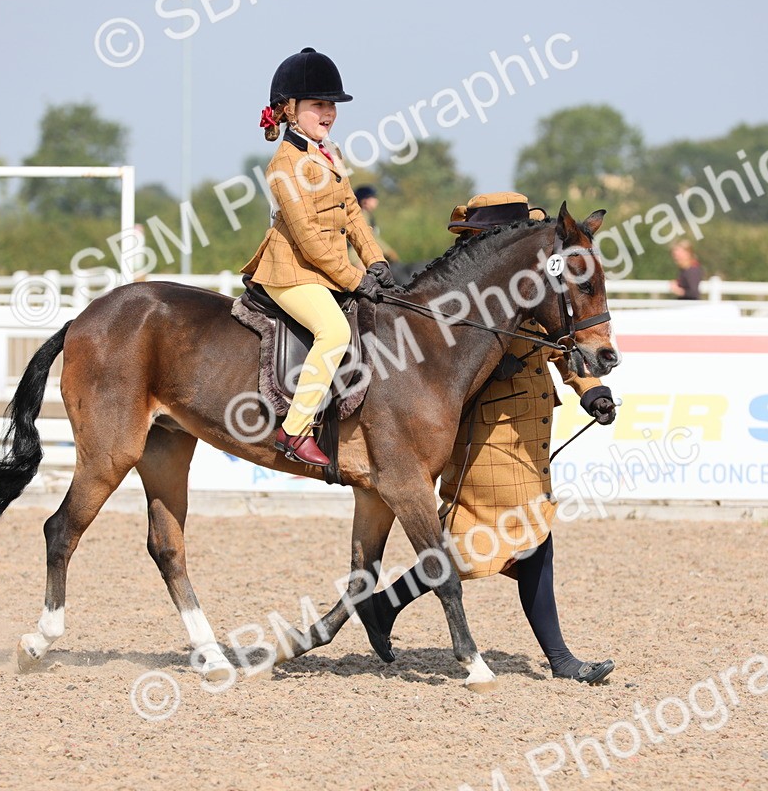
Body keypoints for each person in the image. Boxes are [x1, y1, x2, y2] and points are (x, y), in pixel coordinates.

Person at [367, 192, 618, 685]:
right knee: (529, 542)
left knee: (474, 545)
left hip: (526, 435)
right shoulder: (464, 302)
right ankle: (561, 659)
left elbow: (565, 344)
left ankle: (382, 607)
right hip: (486, 439)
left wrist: (593, 389)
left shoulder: (529, 288)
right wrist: (493, 367)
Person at [240, 48, 397, 467]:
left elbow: (352, 214)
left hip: (326, 271)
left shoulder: (331, 154)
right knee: (333, 332)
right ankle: (295, 430)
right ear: (290, 110)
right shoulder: (284, 163)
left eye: (331, 105)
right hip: (290, 272)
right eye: (318, 105)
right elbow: (309, 239)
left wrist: (375, 261)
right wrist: (353, 278)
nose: (328, 113)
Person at [347, 185, 398, 267]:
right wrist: (388, 251)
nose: (376, 201)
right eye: (373, 198)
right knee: (368, 277)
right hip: (355, 255)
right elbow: (371, 237)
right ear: (364, 201)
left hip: (365, 253)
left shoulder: (368, 215)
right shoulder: (360, 215)